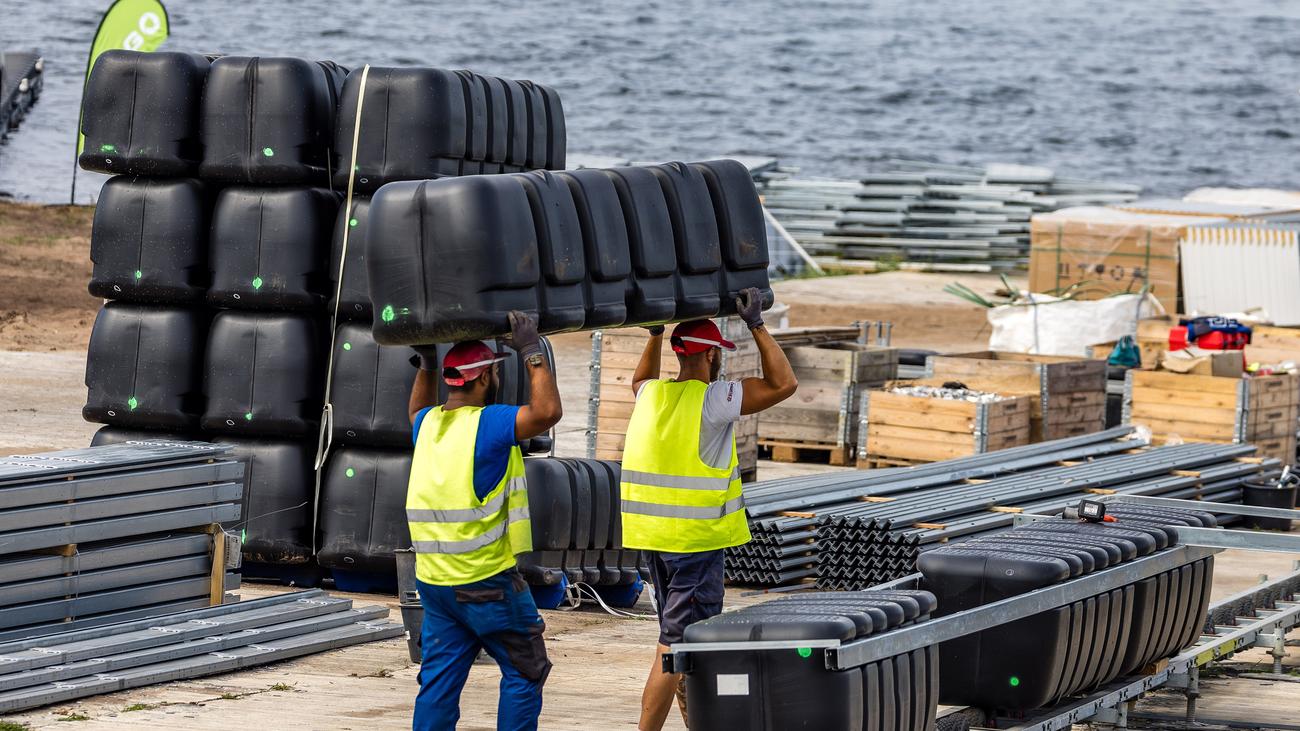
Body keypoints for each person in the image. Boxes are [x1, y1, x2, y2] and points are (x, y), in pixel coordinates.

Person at [620, 288, 798, 731]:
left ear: (678, 354)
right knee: (675, 646)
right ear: (714, 357)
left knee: (688, 642)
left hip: (652, 542)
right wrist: (757, 324)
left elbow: (639, 379)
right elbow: (784, 384)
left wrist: (655, 334)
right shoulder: (714, 400)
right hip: (694, 545)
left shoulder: (651, 395)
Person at [406, 311, 562, 731]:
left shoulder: (428, 425)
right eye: (492, 371)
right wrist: (532, 352)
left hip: (436, 585)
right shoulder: (490, 425)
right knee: (525, 669)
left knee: (438, 682)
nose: (495, 378)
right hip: (486, 583)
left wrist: (425, 364)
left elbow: (417, 407)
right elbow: (547, 412)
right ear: (480, 379)